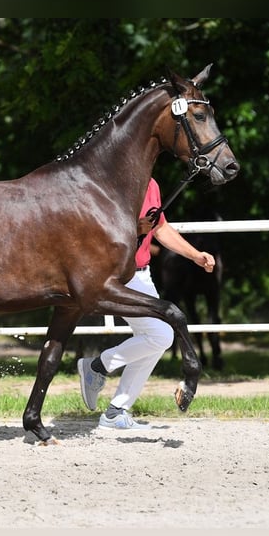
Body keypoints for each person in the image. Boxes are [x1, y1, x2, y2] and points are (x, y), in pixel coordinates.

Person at [77, 178, 217, 429]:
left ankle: (115, 409)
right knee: (162, 336)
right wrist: (133, 229)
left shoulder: (152, 184)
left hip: (143, 274)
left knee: (157, 339)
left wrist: (195, 255)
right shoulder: (114, 181)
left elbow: (161, 228)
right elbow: (94, 229)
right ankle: (98, 368)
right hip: (119, 275)